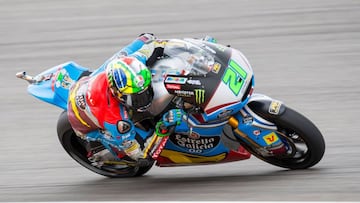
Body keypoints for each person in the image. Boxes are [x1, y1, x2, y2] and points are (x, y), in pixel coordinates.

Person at [67, 33, 217, 166]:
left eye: (145, 92)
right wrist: (163, 128)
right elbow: (142, 155)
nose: (144, 99)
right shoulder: (117, 121)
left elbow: (153, 44)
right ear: (117, 93)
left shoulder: (131, 63)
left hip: (91, 82)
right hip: (87, 124)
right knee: (141, 155)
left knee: (146, 39)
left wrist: (197, 47)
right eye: (136, 98)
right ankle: (102, 153)